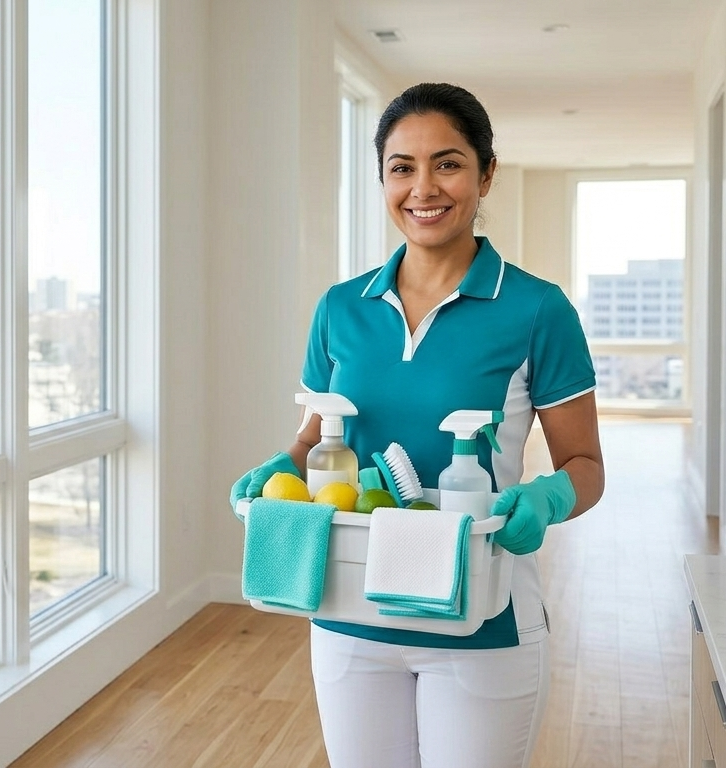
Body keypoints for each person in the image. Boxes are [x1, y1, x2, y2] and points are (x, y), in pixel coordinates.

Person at [231, 83, 604, 768]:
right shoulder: (341, 308)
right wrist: (280, 469)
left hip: (480, 620)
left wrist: (548, 499)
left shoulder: (537, 310)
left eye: (448, 163)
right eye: (402, 166)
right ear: (383, 178)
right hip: (349, 610)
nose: (423, 187)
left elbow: (586, 464)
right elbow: (318, 438)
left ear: (485, 174)